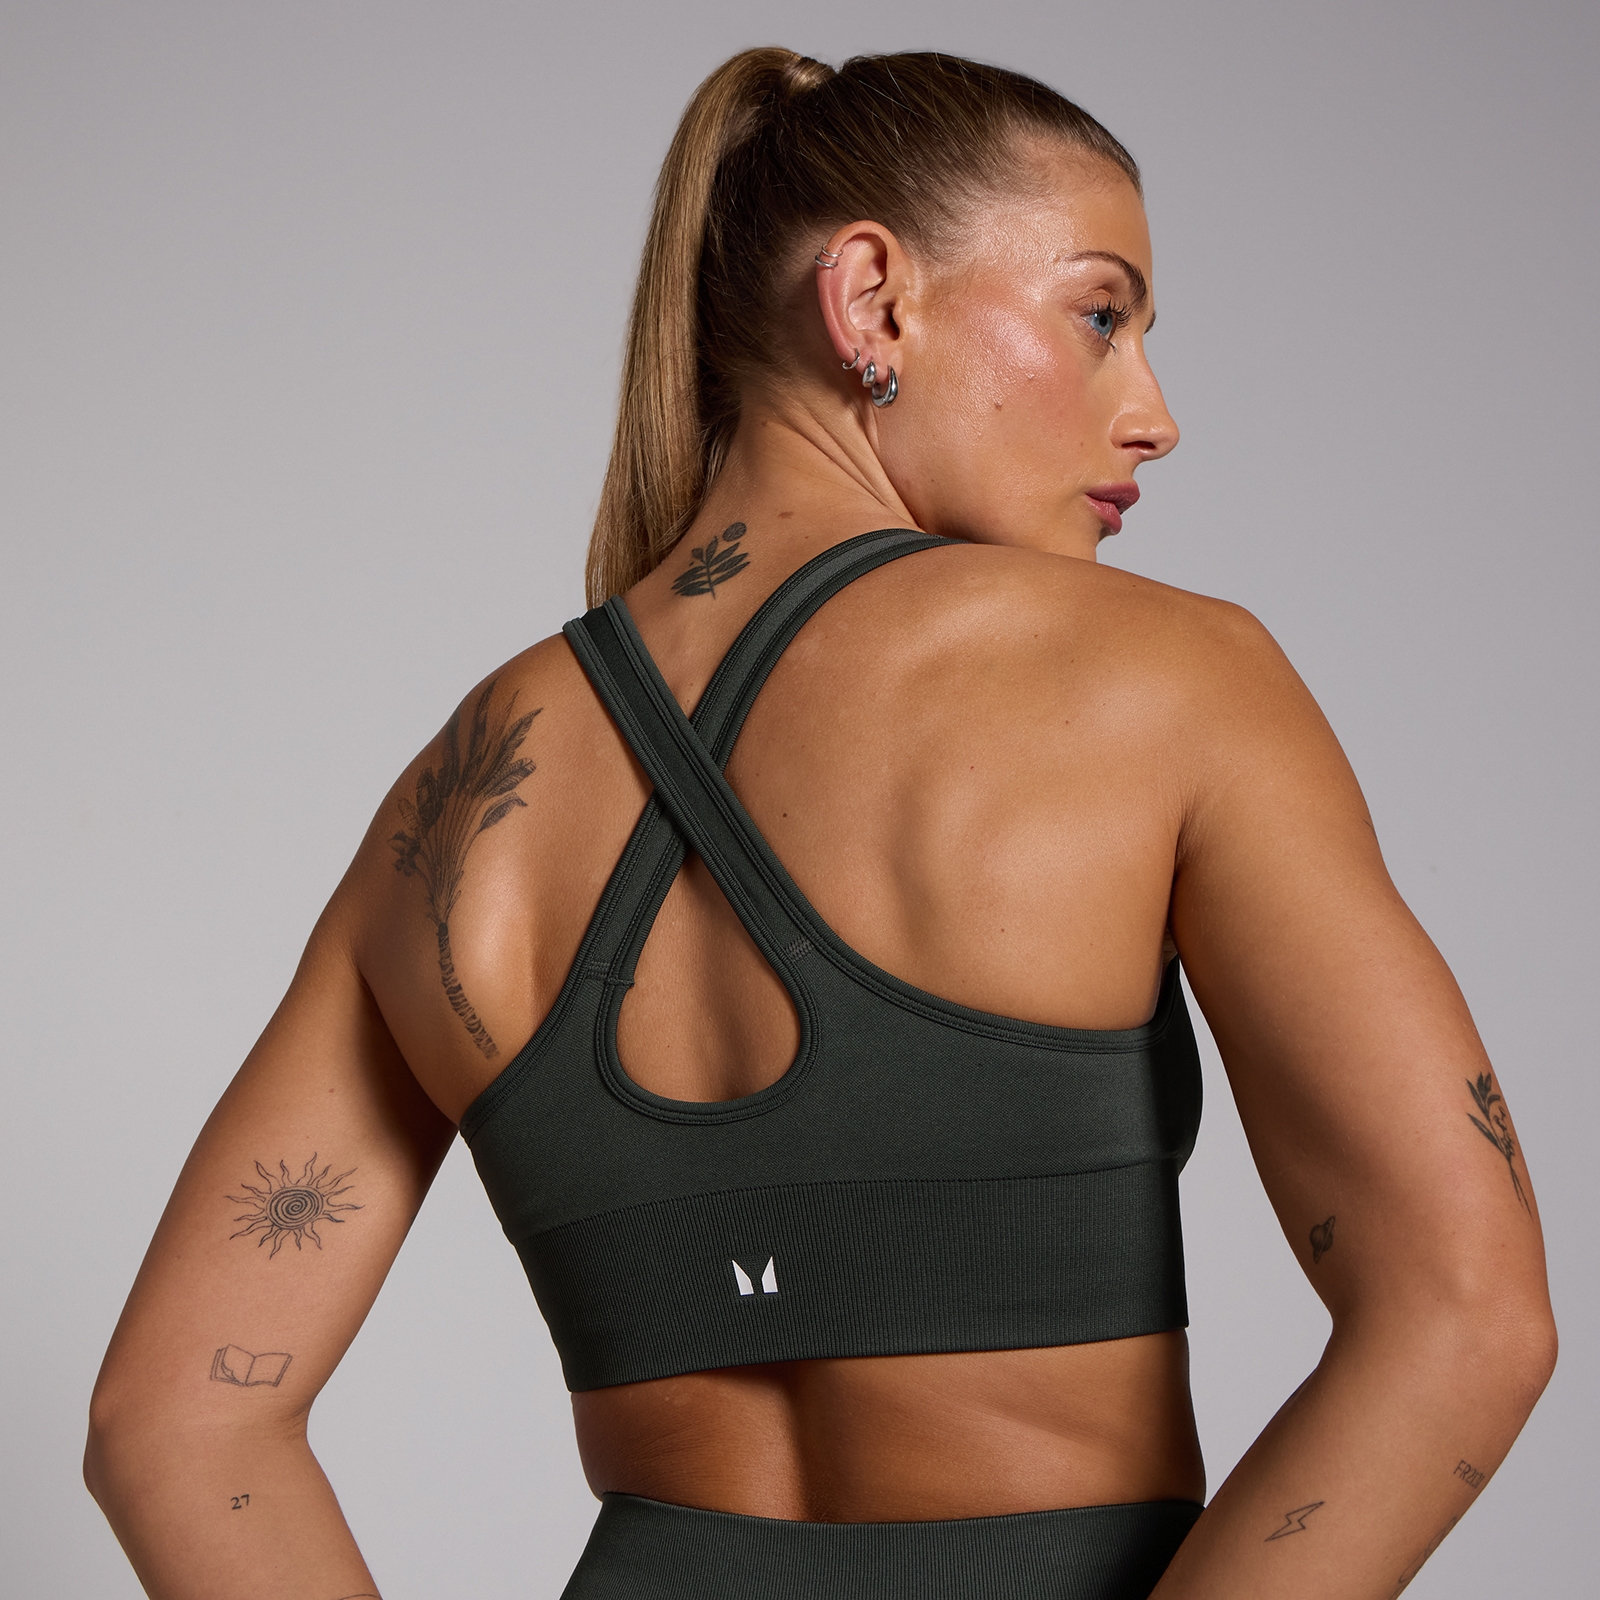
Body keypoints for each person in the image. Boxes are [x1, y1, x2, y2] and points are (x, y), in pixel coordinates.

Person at [84, 47, 1556, 1600]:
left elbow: (171, 1427)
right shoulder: (1167, 678)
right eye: (1100, 316)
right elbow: (1468, 1316)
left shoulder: (463, 800)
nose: (1154, 415)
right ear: (870, 302)